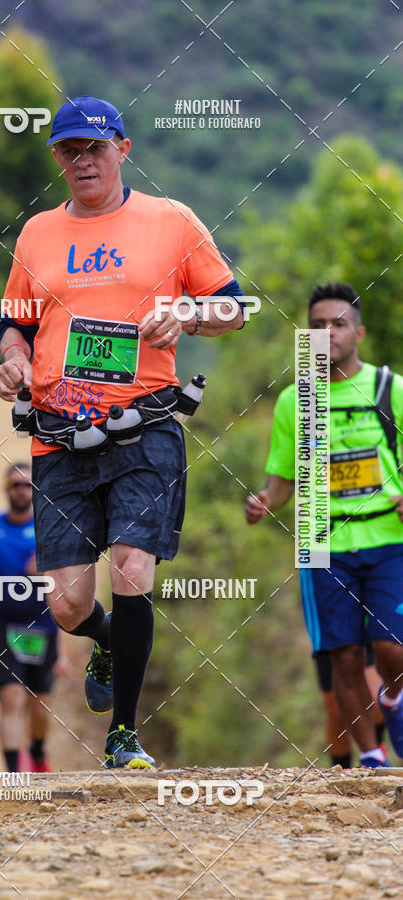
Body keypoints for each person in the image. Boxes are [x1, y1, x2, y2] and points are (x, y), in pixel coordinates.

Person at [0, 96, 245, 768]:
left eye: (94, 148)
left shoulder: (172, 221)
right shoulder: (36, 235)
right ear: (57, 160)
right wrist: (14, 358)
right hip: (59, 436)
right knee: (71, 604)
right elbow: (14, 322)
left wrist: (189, 313)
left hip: (147, 427)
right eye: (69, 151)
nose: (83, 162)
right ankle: (105, 640)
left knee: (132, 568)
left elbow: (236, 306)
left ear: (122, 150)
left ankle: (123, 734)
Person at [245, 282, 403, 768]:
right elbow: (283, 478)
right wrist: (266, 500)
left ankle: (394, 701)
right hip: (321, 542)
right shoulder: (297, 400)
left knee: (390, 648)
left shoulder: (389, 388)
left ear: (359, 332)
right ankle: (373, 758)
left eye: (337, 324)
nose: (326, 332)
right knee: (344, 659)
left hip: (388, 539)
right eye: (316, 326)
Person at [0, 462, 60, 773]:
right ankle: (12, 776)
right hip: (3, 626)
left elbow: (72, 571)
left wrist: (47, 566)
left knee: (39, 708)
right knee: (11, 700)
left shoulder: (48, 527)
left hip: (43, 628)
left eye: (27, 485)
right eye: (15, 484)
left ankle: (37, 753)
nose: (21, 490)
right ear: (6, 489)